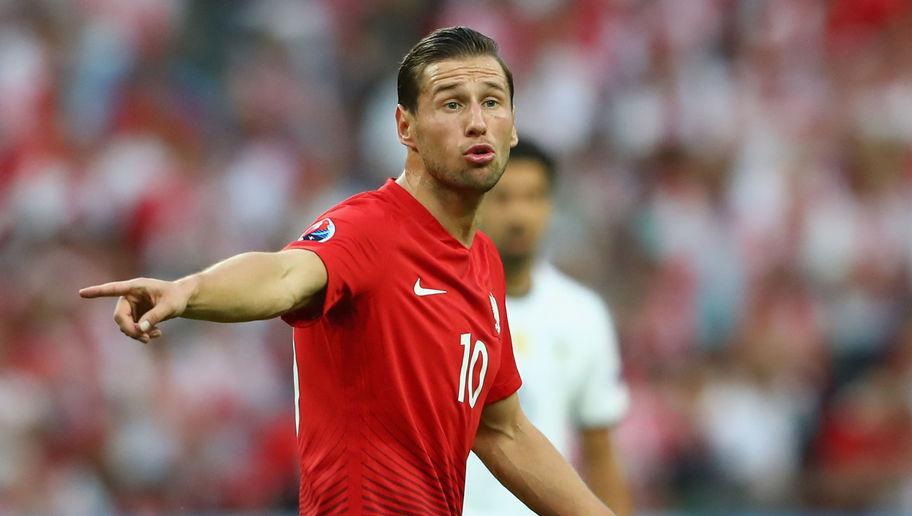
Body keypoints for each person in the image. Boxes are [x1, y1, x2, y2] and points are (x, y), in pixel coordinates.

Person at [80, 27, 614, 515]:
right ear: (406, 127)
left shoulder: (484, 263)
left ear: (513, 128)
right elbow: (286, 276)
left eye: (492, 103)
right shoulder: (371, 227)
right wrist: (190, 290)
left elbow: (504, 433)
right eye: (452, 104)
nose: (477, 121)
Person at [464, 140, 633, 515]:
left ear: (550, 205)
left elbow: (600, 454)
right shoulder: (443, 305)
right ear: (477, 203)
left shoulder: (583, 315)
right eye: (503, 198)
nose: (519, 215)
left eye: (533, 197)